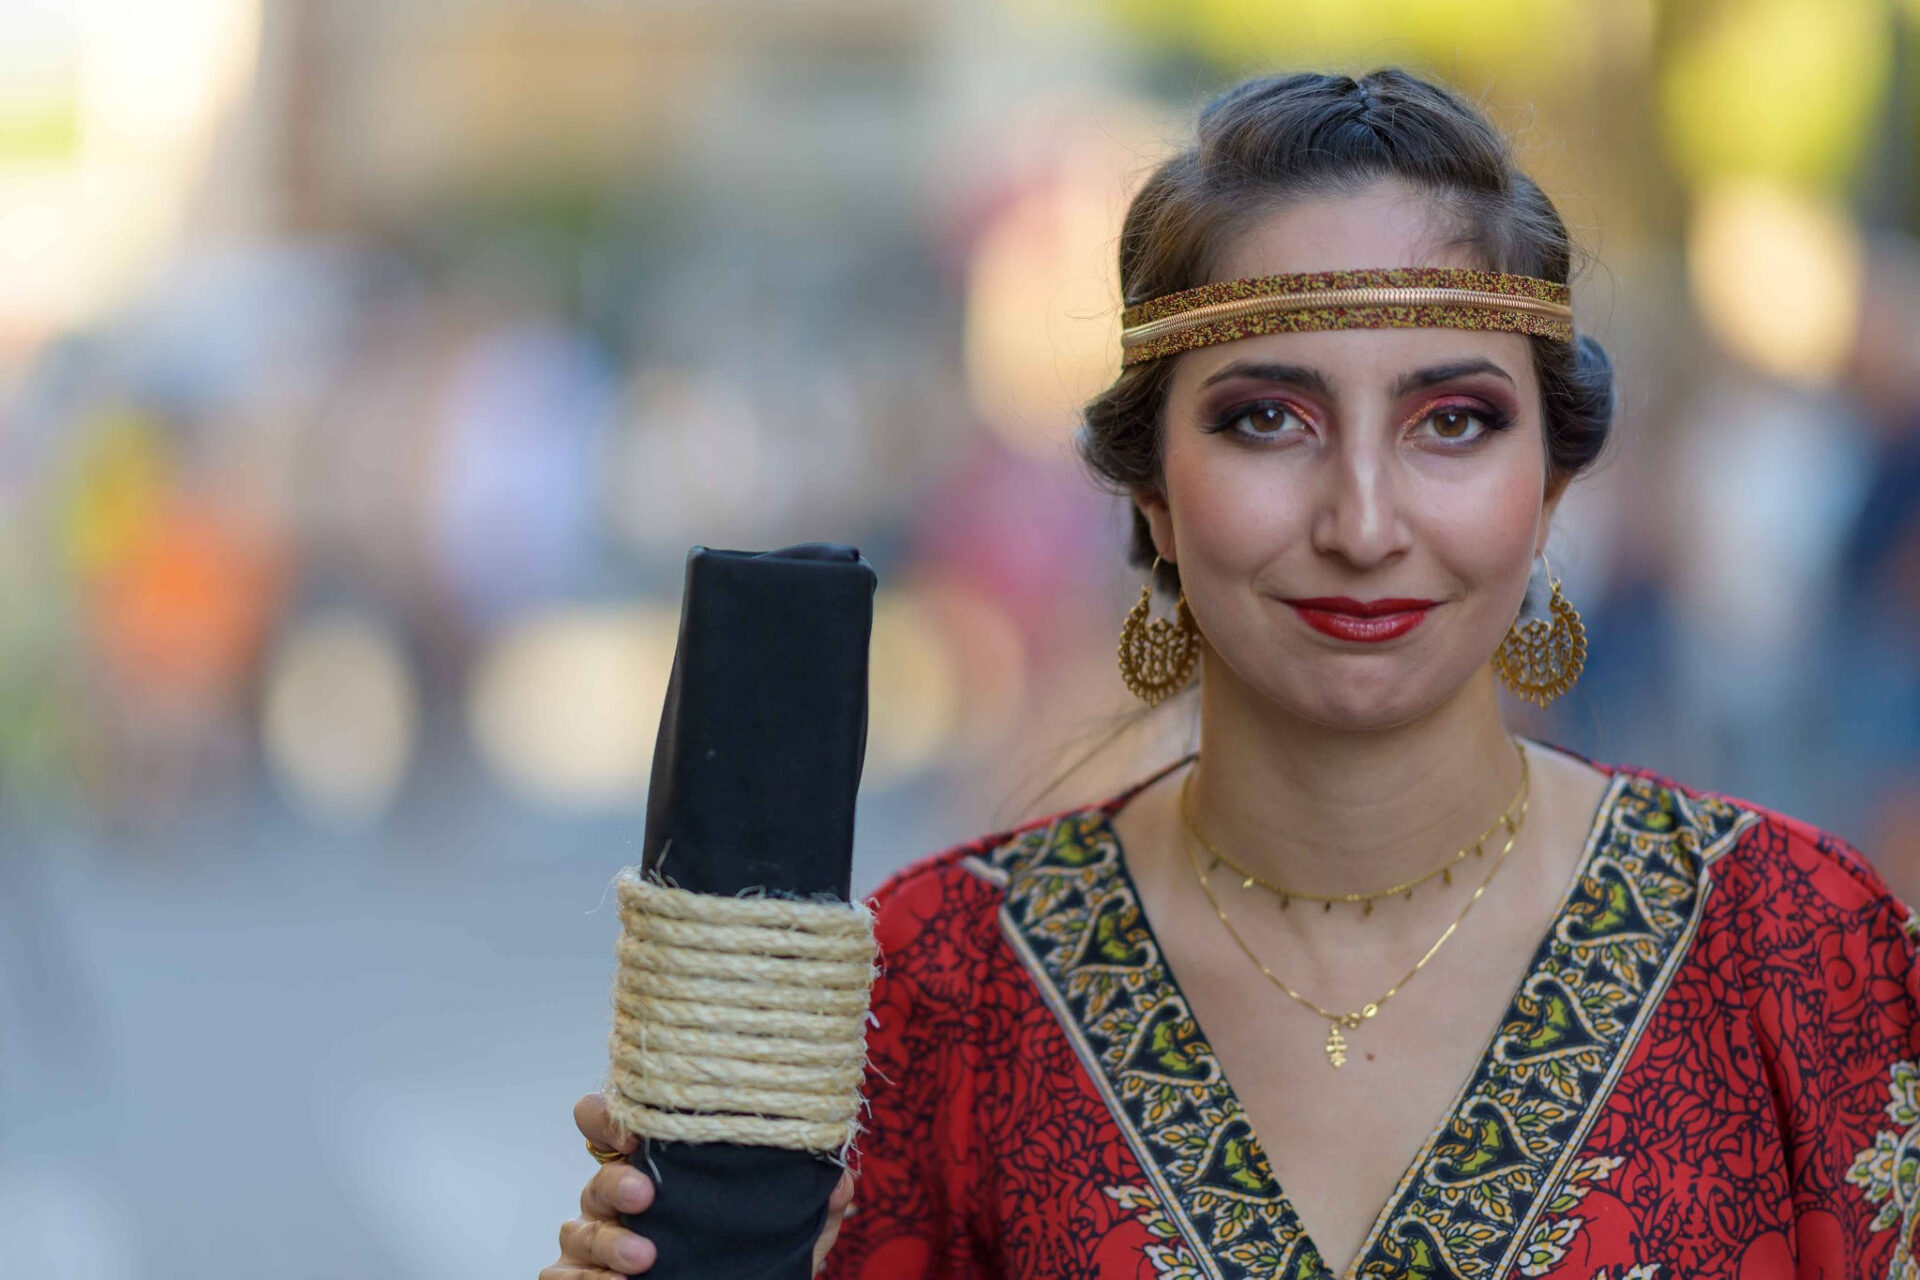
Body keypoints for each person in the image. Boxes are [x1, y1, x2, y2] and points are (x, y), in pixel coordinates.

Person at [543, 68, 1920, 1279]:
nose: (1363, 522)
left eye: (1453, 422)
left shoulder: (1800, 954)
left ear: (1550, 484)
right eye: (1269, 419)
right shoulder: (940, 989)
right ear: (1151, 488)